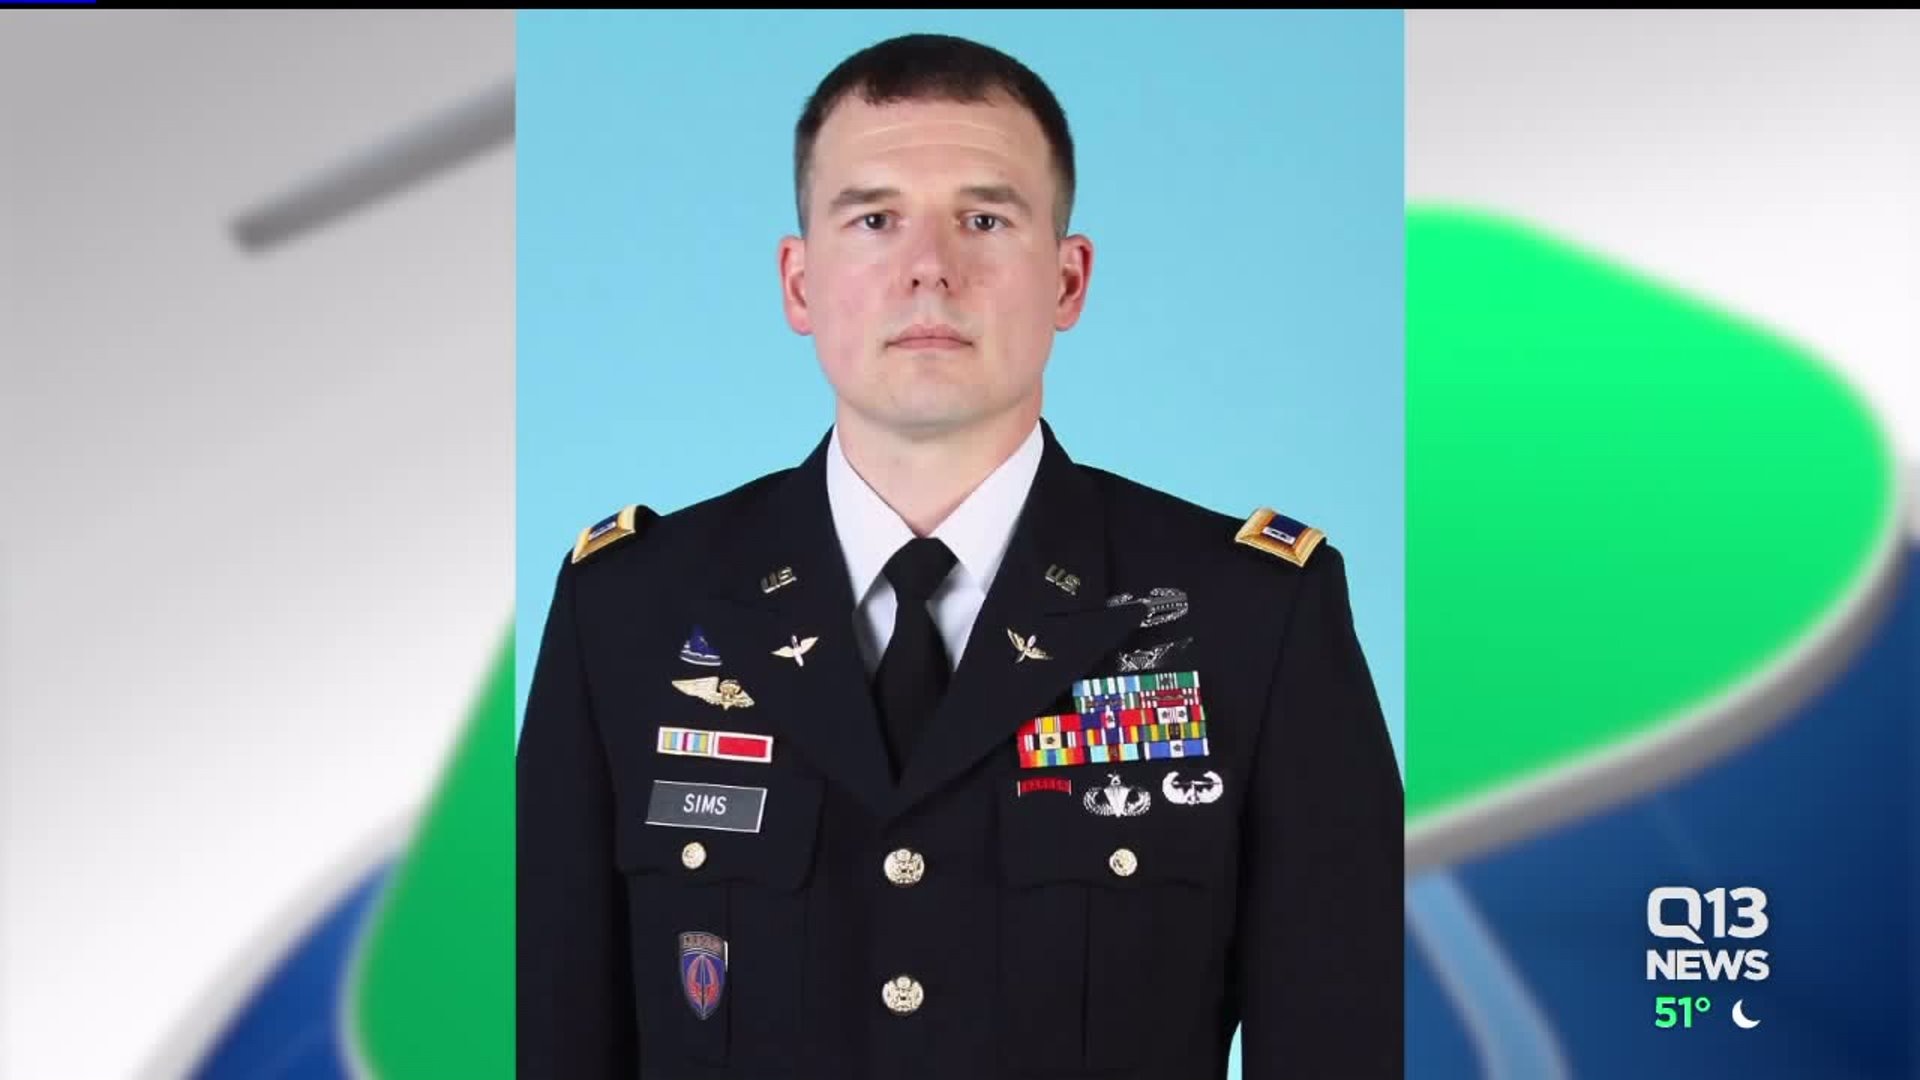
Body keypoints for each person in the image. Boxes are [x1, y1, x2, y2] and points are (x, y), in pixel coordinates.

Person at [517, 31, 1402, 1080]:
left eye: (985, 219)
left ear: (1067, 280)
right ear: (799, 283)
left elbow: (1342, 1038)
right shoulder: (629, 613)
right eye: (875, 219)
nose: (930, 268)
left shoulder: (1252, 620)